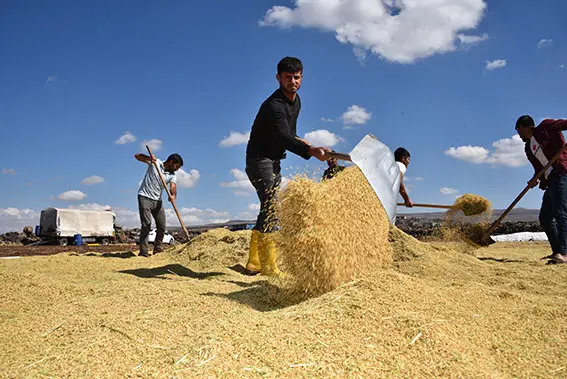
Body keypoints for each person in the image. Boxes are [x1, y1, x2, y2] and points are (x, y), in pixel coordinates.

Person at [244, 56, 329, 276]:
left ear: (302, 77)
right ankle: (269, 265)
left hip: (274, 160)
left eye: (297, 77)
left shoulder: (296, 101)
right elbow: (282, 135)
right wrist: (310, 151)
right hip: (258, 160)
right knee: (271, 206)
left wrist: (304, 142)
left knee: (268, 206)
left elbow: (288, 134)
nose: (293, 81)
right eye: (288, 77)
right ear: (278, 78)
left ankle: (254, 261)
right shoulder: (274, 105)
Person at [515, 115, 567, 264]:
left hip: (562, 173)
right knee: (545, 218)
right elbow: (539, 168)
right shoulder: (529, 148)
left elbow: (564, 124)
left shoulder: (546, 127)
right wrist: (535, 179)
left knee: (561, 212)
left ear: (526, 127)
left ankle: (563, 253)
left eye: (519, 130)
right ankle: (557, 250)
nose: (519, 135)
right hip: (551, 180)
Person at [135, 152, 183, 257]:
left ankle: (157, 249)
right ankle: (143, 252)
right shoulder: (155, 163)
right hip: (144, 197)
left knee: (161, 226)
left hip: (157, 200)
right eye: (176, 167)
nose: (177, 169)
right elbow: (137, 156)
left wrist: (173, 196)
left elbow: (173, 187)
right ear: (171, 162)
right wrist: (149, 158)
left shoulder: (172, 175)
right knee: (146, 224)